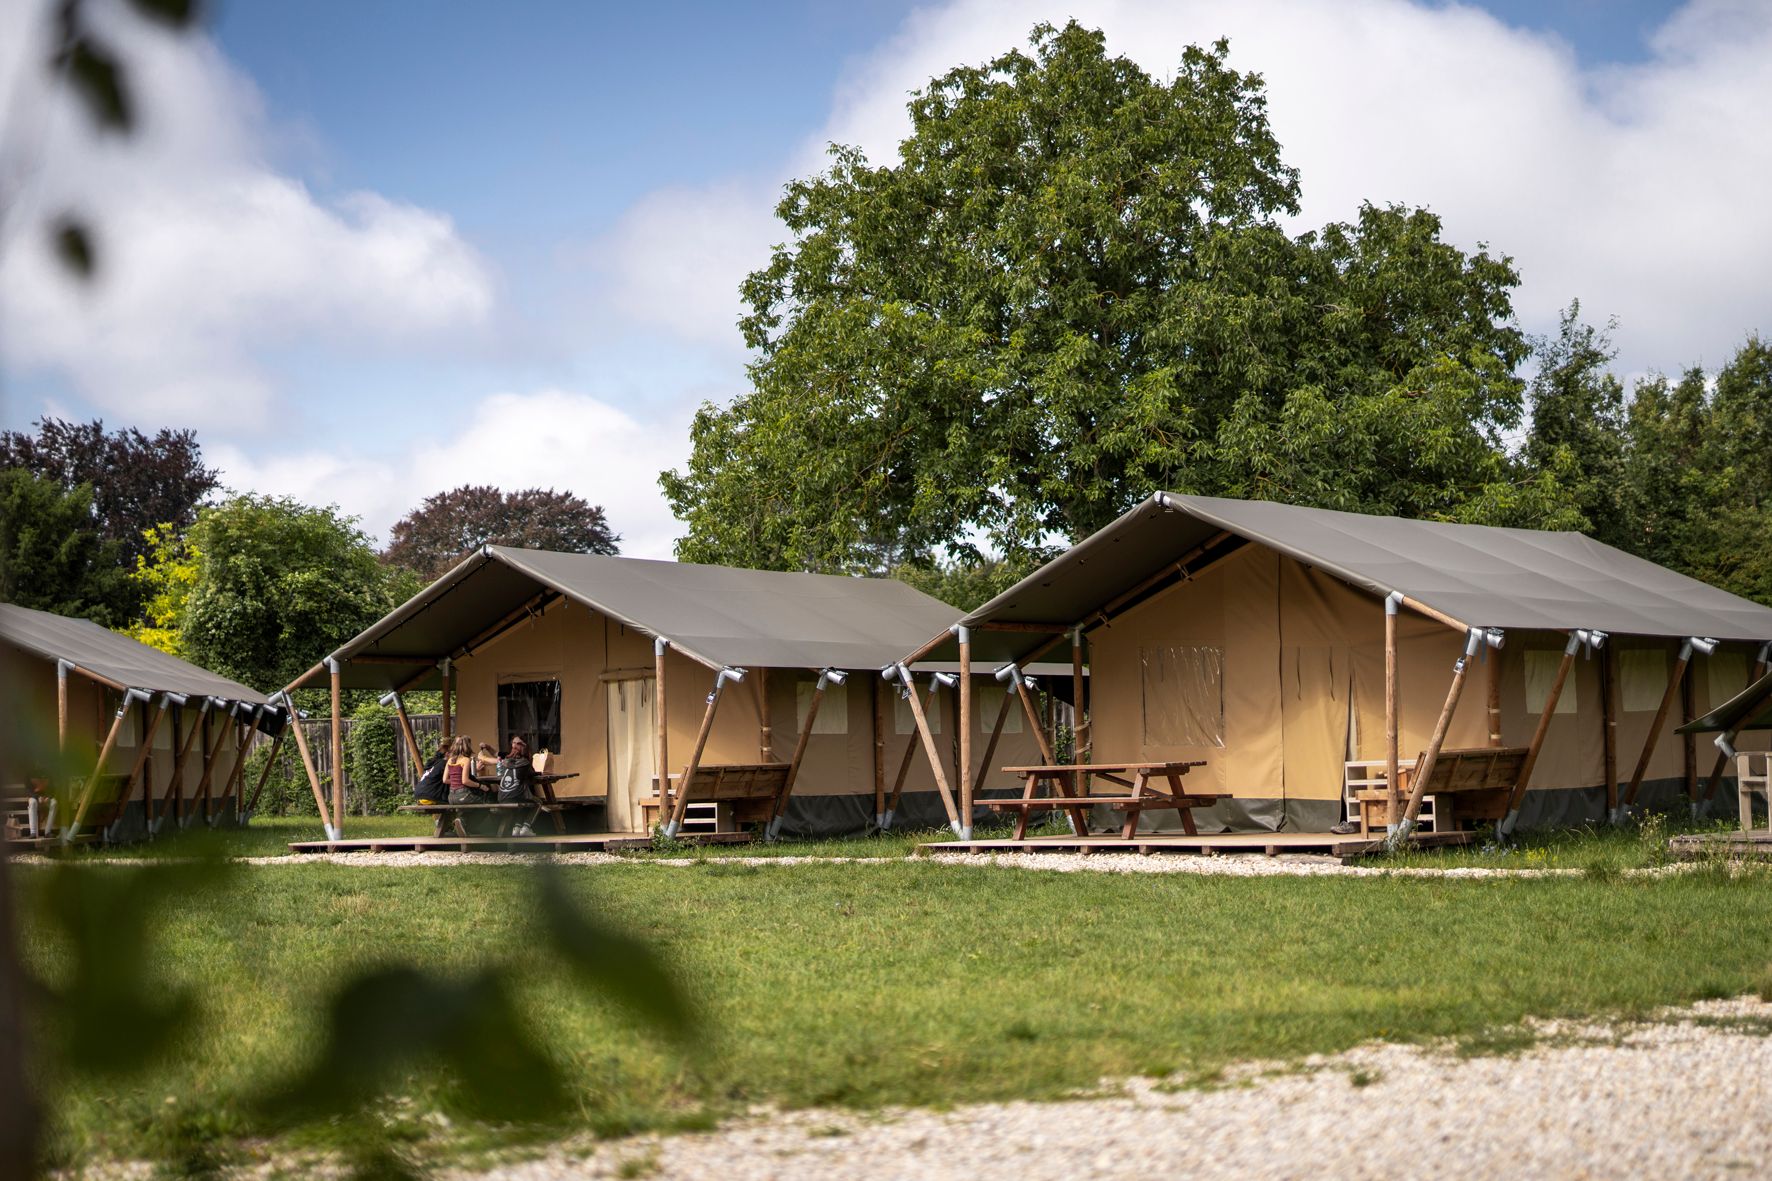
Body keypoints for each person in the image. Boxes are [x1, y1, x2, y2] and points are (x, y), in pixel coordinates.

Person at [498, 735, 540, 837]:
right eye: (514, 743)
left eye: (518, 743)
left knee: (523, 799)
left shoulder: (505, 762)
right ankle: (526, 827)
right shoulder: (525, 762)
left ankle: (516, 829)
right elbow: (532, 773)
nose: (516, 745)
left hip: (501, 798)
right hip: (513, 797)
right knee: (537, 802)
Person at [413, 737, 449, 806]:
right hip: (428, 796)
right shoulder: (444, 763)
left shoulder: (433, 762)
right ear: (447, 753)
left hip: (419, 795)